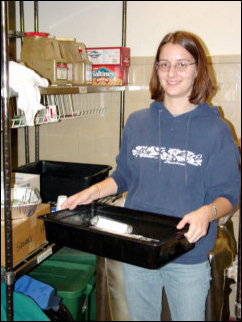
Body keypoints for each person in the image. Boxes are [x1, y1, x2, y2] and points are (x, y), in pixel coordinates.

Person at [62, 31, 240, 321]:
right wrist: (92, 192)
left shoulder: (216, 131)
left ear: (198, 70)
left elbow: (230, 195)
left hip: (187, 253)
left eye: (182, 64)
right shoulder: (137, 122)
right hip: (138, 248)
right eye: (164, 64)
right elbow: (124, 176)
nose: (171, 72)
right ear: (157, 69)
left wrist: (206, 213)